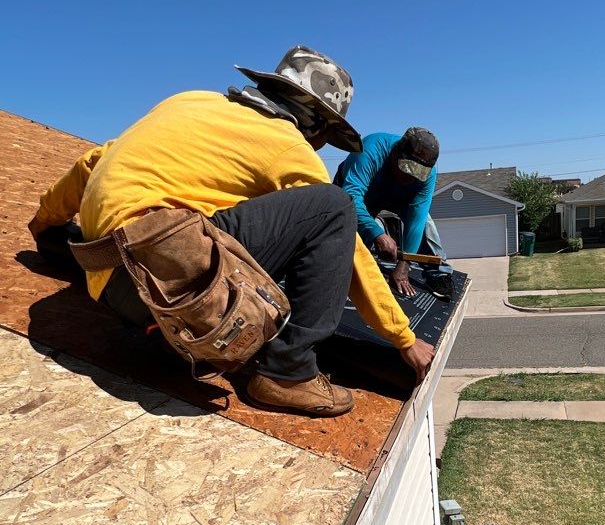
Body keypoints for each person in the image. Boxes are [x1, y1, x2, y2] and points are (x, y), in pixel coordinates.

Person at [28, 47, 435, 416]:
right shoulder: (287, 146)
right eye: (325, 136)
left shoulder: (187, 102)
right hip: (168, 288)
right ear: (316, 124)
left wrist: (46, 223)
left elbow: (93, 160)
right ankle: (288, 372)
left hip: (104, 273)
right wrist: (403, 338)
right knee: (333, 207)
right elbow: (352, 253)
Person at [334, 129, 444, 296]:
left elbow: (416, 219)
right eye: (406, 169)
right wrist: (376, 233)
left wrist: (404, 266)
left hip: (399, 196)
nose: (409, 178)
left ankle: (439, 274)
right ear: (396, 152)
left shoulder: (429, 174)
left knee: (425, 223)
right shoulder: (369, 149)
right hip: (363, 193)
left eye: (417, 174)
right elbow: (351, 198)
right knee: (344, 235)